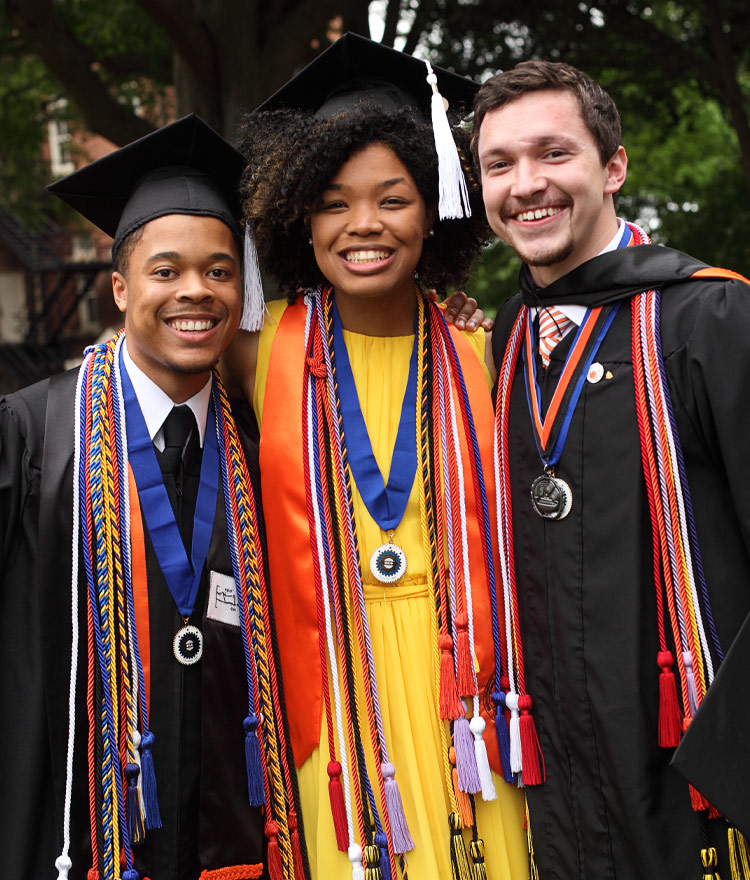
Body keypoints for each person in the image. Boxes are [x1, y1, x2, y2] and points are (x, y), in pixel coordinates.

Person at [223, 32, 528, 880]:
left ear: (432, 210)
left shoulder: (482, 352)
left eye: (392, 199)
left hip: (463, 686)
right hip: (333, 688)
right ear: (298, 219)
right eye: (332, 203)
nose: (364, 225)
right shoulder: (258, 351)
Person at [0, 115, 303, 880]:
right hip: (76, 829)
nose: (195, 292)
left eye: (220, 270)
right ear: (120, 286)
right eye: (166, 271)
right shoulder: (37, 431)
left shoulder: (267, 436)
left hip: (233, 826)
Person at [472, 59, 750, 879]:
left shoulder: (710, 316)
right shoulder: (509, 335)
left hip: (698, 784)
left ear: (614, 166)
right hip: (565, 788)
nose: (526, 184)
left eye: (554, 154)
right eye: (499, 165)